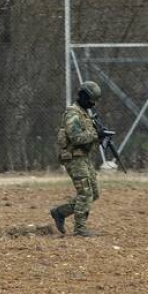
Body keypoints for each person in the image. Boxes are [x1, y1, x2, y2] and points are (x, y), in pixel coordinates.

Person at [50, 81, 104, 237]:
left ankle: (60, 212)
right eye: (91, 99)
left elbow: (87, 137)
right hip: (74, 158)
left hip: (84, 158)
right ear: (84, 96)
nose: (93, 103)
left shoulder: (84, 113)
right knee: (85, 193)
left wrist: (100, 136)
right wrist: (95, 135)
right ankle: (80, 228)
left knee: (93, 193)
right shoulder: (73, 113)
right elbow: (75, 138)